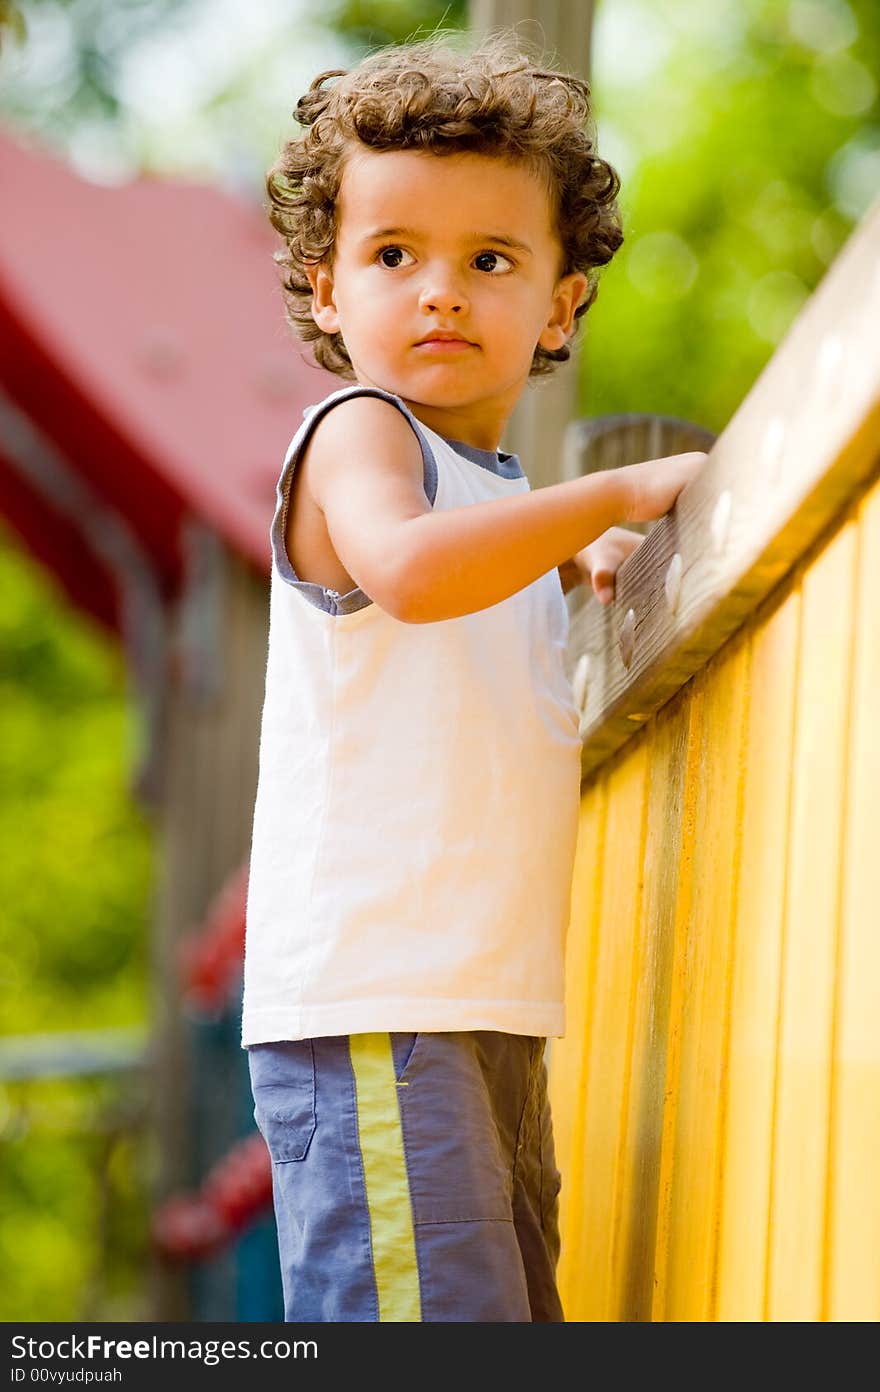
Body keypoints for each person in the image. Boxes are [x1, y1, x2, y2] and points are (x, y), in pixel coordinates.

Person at [241, 27, 705, 1323]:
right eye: (394, 256)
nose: (440, 291)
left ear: (560, 302)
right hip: (379, 1002)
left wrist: (580, 551)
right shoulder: (358, 438)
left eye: (489, 260)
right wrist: (611, 495)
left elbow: (472, 584)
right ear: (327, 288)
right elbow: (412, 569)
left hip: (478, 1002)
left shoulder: (494, 495)